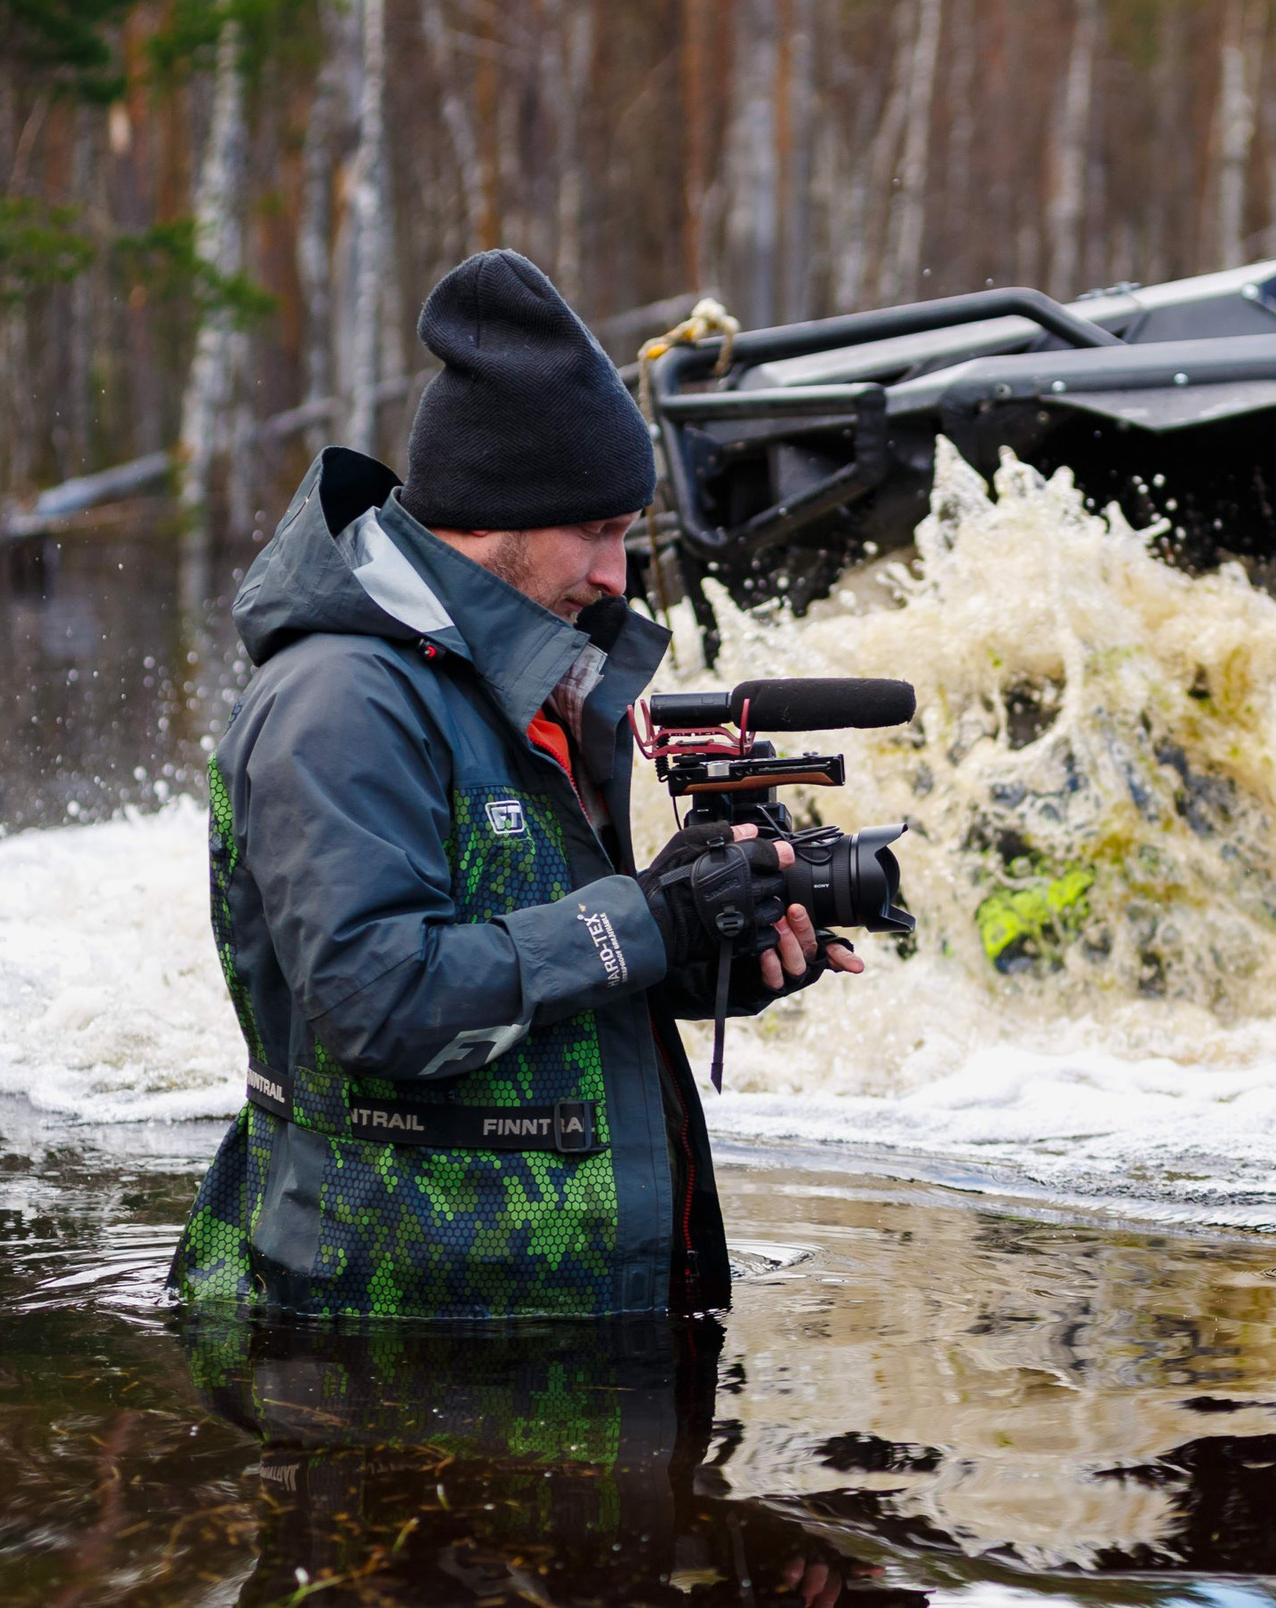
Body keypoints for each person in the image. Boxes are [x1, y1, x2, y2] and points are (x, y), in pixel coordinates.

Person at [170, 249, 859, 1322]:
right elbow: (377, 1000)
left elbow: (542, 971)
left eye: (627, 534)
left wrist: (703, 946)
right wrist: (643, 918)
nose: (616, 576)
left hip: (560, 1314)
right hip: (393, 1337)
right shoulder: (342, 698)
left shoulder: (538, 683)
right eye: (597, 530)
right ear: (494, 514)